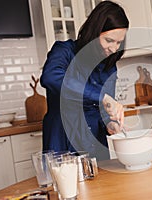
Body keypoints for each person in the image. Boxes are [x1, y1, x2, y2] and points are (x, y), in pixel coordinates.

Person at [40, 1, 129, 160]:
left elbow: (104, 112)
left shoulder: (109, 66)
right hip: (62, 142)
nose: (114, 49)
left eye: (119, 42)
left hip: (95, 146)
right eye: (109, 40)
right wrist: (101, 97)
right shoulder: (64, 51)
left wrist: (110, 124)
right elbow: (51, 77)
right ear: (94, 32)